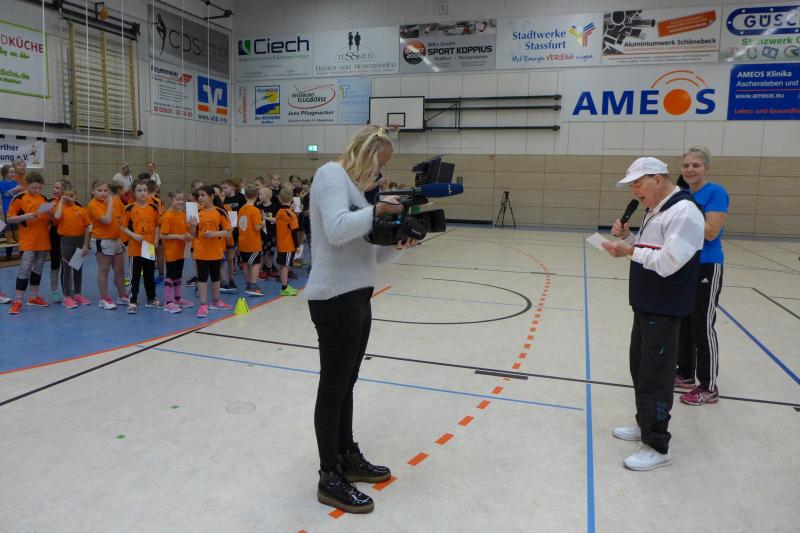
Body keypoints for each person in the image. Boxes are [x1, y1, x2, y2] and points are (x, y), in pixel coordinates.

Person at [305, 125, 413, 513]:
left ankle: (346, 455)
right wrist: (377, 211)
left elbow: (373, 255)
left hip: (358, 296)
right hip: (334, 297)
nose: (381, 174)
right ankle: (329, 475)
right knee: (333, 387)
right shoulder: (331, 175)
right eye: (379, 164)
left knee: (346, 383)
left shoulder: (359, 192)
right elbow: (336, 230)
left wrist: (400, 242)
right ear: (365, 154)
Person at [602, 157, 705, 471]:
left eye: (638, 183)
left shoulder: (685, 212)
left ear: (657, 179)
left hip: (664, 307)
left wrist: (630, 250)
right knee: (640, 368)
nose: (634, 190)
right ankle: (645, 423)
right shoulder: (656, 210)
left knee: (656, 376)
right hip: (646, 304)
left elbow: (668, 262)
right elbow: (651, 250)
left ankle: (658, 445)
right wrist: (628, 240)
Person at [675, 147, 729, 406]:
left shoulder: (715, 192)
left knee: (702, 325)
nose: (690, 169)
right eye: (686, 165)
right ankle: (686, 374)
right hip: (685, 265)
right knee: (684, 322)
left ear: (706, 168)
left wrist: (686, 210)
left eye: (695, 165)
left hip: (707, 265)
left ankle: (708, 386)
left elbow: (710, 232)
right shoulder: (684, 195)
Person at [5, 172, 53, 314]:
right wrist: (26, 216)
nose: (37, 190)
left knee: (38, 268)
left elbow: (49, 219)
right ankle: (18, 300)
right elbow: (9, 219)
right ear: (27, 185)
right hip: (28, 241)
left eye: (40, 188)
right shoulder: (19, 197)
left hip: (43, 240)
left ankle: (33, 297)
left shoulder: (44, 199)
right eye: (34, 187)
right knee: (25, 269)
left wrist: (50, 215)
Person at [192, 185, 233, 318]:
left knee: (216, 276)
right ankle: (203, 305)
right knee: (202, 277)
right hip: (201, 250)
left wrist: (215, 234)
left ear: (211, 196)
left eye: (203, 195)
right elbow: (192, 234)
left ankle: (216, 301)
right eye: (199, 195)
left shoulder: (220, 212)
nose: (200, 198)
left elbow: (228, 232)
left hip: (215, 250)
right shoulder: (196, 212)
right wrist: (192, 225)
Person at [121, 181, 161, 313]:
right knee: (135, 275)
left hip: (149, 247)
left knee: (150, 274)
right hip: (135, 248)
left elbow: (157, 224)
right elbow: (122, 227)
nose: (143, 193)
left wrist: (156, 238)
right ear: (133, 193)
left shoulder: (153, 208)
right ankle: (132, 300)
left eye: (145, 190)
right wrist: (133, 235)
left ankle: (151, 298)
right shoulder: (129, 208)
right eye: (139, 190)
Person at [87, 181, 128, 310]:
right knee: (104, 270)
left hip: (115, 240)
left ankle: (122, 296)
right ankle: (104, 299)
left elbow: (116, 221)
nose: (103, 193)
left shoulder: (109, 202)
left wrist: (120, 239)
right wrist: (110, 204)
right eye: (99, 190)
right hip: (102, 241)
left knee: (120, 269)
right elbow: (106, 220)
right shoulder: (93, 205)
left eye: (105, 190)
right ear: (93, 191)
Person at [52, 181, 91, 309]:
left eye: (72, 195)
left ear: (76, 196)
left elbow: (87, 228)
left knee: (77, 268)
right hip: (66, 241)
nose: (69, 198)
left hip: (79, 241)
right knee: (67, 269)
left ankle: (77, 294)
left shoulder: (81, 210)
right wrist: (62, 201)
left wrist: (85, 245)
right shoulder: (60, 208)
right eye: (66, 195)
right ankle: (67, 296)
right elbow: (57, 216)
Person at [160, 190, 195, 313]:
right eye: (177, 199)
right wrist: (179, 236)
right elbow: (162, 235)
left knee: (178, 274)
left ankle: (177, 298)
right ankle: (168, 302)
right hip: (171, 252)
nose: (181, 202)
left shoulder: (182, 214)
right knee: (170, 275)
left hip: (181, 251)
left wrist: (191, 227)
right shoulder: (167, 216)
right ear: (171, 200)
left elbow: (188, 232)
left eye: (182, 199)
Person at [237, 186, 265, 296]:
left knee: (245, 264)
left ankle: (248, 284)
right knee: (256, 263)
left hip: (242, 242)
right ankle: (253, 286)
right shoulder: (255, 210)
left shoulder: (241, 209)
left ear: (245, 195)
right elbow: (257, 227)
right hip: (252, 243)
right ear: (257, 196)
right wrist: (263, 223)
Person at [275, 185, 300, 297]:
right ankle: (284, 288)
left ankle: (284, 285)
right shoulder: (291, 214)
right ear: (291, 200)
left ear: (279, 199)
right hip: (288, 245)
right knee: (285, 266)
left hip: (280, 244)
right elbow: (294, 231)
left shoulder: (279, 212)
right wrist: (297, 245)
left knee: (282, 265)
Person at [48, 179, 67, 303]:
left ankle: (68, 291)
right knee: (55, 263)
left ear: (64, 190)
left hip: (68, 235)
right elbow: (43, 217)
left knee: (67, 264)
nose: (54, 190)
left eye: (57, 188)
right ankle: (54, 291)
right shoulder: (49, 202)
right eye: (53, 187)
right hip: (55, 235)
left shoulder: (72, 202)